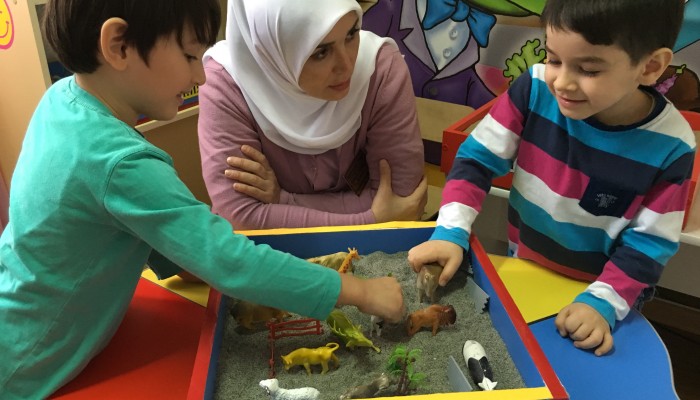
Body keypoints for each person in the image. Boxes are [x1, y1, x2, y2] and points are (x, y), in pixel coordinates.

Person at [0, 1, 405, 397]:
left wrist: (191, 259)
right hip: (25, 367)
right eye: (190, 55)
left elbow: (117, 224)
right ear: (119, 46)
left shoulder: (62, 99)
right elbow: (230, 261)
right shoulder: (120, 162)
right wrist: (362, 292)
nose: (201, 76)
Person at [408, 0, 695, 356]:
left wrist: (602, 304)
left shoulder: (672, 144)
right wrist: (451, 231)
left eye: (588, 70)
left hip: (605, 293)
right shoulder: (534, 88)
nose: (562, 82)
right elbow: (475, 161)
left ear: (650, 67)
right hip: (525, 266)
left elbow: (649, 244)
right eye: (554, 58)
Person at [197, 0, 427, 230]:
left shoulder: (380, 67)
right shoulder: (225, 84)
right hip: (263, 251)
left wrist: (282, 201)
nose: (347, 65)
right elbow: (241, 218)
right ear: (272, 49)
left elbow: (403, 198)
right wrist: (371, 220)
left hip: (375, 247)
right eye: (321, 52)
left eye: (351, 34)